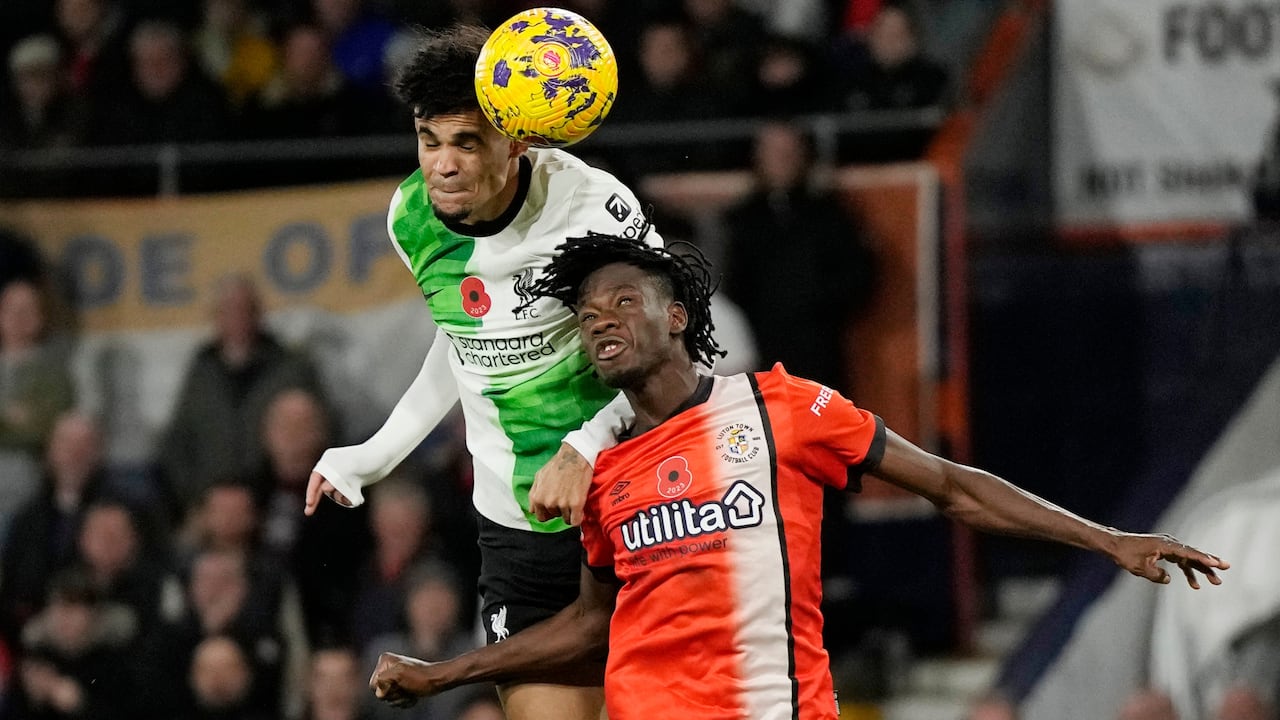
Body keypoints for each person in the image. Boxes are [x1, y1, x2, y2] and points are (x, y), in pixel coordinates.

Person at [366, 234, 1229, 719]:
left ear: (676, 316)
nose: (602, 321)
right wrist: (445, 673)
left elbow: (952, 487)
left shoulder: (787, 408)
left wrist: (1106, 538)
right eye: (588, 316)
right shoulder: (603, 475)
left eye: (622, 302)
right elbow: (594, 629)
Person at [302, 23, 664, 720]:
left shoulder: (593, 213)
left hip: (633, 506)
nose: (442, 164)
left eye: (465, 142)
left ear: (518, 139)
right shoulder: (411, 218)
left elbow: (673, 357)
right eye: (428, 140)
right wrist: (374, 455)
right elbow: (466, 339)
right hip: (517, 530)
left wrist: (586, 446)